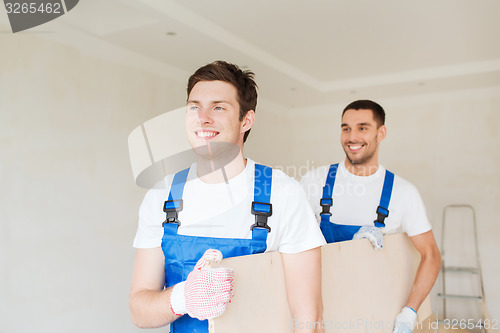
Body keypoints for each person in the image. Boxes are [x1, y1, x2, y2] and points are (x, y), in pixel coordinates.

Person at [129, 61, 326, 333]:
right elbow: (140, 310)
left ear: (246, 120)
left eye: (219, 107)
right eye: (194, 106)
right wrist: (183, 297)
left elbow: (309, 320)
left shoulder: (283, 194)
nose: (203, 117)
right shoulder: (161, 197)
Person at [300, 100, 441, 333]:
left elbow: (431, 254)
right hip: (323, 314)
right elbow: (294, 245)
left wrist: (410, 311)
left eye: (363, 127)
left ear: (381, 132)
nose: (352, 137)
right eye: (346, 128)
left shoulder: (403, 193)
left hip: (377, 315)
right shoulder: (314, 182)